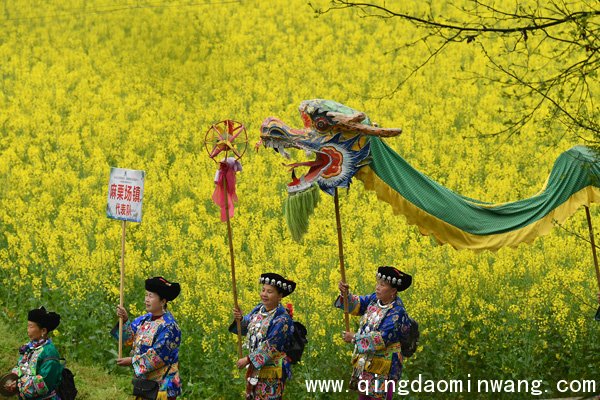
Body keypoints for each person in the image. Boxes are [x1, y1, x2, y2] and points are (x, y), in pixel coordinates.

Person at [336, 266, 413, 400]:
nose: (377, 287)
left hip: (385, 366)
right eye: (377, 283)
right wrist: (345, 294)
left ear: (393, 291)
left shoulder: (397, 312)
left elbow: (381, 338)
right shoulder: (374, 299)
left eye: (382, 285)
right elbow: (356, 305)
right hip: (367, 362)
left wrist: (354, 338)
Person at [113, 276, 182, 400]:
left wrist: (132, 361)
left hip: (163, 388)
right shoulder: (143, 320)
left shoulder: (169, 326)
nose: (146, 300)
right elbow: (128, 341)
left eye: (151, 296)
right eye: (146, 295)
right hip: (145, 385)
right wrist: (124, 321)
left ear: (163, 301)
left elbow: (157, 356)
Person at [231, 272, 296, 399]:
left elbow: (271, 346)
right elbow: (247, 327)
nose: (264, 294)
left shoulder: (283, 319)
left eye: (269, 292)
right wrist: (240, 318)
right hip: (255, 371)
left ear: (280, 296)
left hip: (271, 374)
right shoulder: (259, 309)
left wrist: (247, 360)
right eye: (263, 290)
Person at [5, 306, 63, 399]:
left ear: (43, 330)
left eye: (31, 326)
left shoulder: (50, 353)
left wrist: (18, 385)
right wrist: (13, 379)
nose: (28, 330)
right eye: (27, 326)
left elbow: (43, 384)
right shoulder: (29, 347)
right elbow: (20, 366)